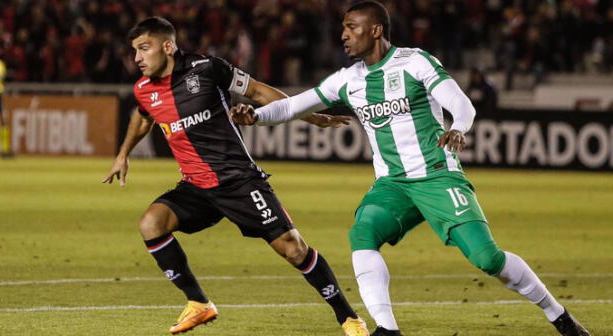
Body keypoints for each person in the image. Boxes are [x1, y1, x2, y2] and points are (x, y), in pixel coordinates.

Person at [230, 2, 590, 336]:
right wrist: (255, 116)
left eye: (352, 27)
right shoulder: (347, 79)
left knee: (487, 259)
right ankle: (387, 330)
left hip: (436, 173)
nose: (343, 35)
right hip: (393, 183)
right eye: (343, 28)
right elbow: (291, 107)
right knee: (362, 235)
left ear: (375, 30)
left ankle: (559, 315)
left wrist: (457, 128)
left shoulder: (415, 62)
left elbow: (461, 104)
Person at [102, 17, 368, 336]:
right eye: (134, 51)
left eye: (144, 48)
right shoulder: (144, 90)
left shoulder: (207, 68)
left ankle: (348, 317)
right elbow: (143, 118)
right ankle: (199, 304)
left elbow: (257, 91)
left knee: (293, 248)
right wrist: (123, 154)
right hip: (196, 186)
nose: (137, 58)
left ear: (168, 46)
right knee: (151, 224)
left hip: (238, 180)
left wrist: (310, 117)